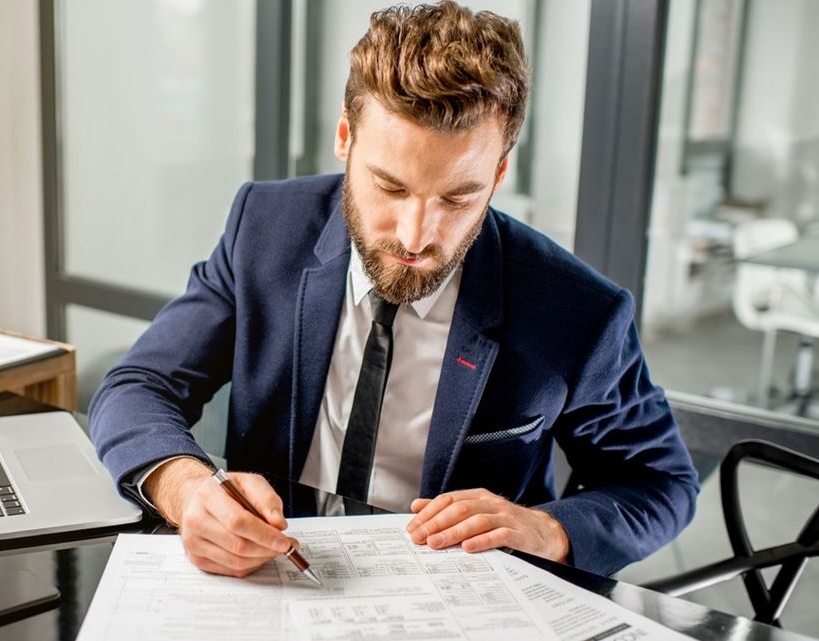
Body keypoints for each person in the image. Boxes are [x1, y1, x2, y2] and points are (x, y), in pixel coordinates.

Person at [89, 0, 698, 580]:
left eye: (458, 197)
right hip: (270, 578)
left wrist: (545, 530)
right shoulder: (264, 228)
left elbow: (662, 484)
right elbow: (140, 384)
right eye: (390, 187)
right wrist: (188, 488)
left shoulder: (577, 310)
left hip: (462, 604)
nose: (416, 235)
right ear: (345, 139)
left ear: (500, 172)